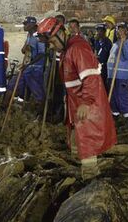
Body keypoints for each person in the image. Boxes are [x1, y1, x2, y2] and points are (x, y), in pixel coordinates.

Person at [37, 17, 116, 179]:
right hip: (76, 103)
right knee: (76, 141)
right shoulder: (68, 49)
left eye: (51, 42)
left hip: (86, 104)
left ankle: (90, 178)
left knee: (87, 143)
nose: (51, 46)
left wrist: (86, 103)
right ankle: (78, 169)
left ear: (60, 33)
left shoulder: (78, 49)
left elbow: (91, 77)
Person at [5, 17, 46, 115]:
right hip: (26, 67)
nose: (24, 26)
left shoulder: (39, 36)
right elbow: (24, 50)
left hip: (36, 68)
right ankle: (4, 108)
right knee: (12, 84)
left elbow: (42, 54)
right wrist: (25, 49)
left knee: (37, 92)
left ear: (32, 24)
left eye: (25, 24)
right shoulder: (29, 35)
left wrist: (30, 64)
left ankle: (40, 114)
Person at [106, 22, 128, 131]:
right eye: (118, 29)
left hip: (121, 76)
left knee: (122, 97)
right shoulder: (115, 44)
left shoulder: (127, 43)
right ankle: (115, 118)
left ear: (127, 32)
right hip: (112, 76)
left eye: (122, 30)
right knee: (113, 99)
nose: (119, 32)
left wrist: (123, 42)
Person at [93, 23, 112, 89]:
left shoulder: (108, 42)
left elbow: (110, 54)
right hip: (97, 66)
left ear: (104, 32)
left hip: (105, 67)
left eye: (100, 31)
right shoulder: (96, 41)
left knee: (104, 85)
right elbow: (95, 51)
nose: (98, 32)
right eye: (97, 31)